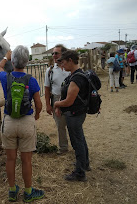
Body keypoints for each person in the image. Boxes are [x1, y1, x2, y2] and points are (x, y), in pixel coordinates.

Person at [0, 45, 45, 202]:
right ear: (27, 61)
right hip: (26, 122)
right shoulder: (31, 81)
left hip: (9, 122)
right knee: (26, 160)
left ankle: (12, 191)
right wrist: (36, 115)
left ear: (14, 60)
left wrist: (6, 57)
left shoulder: (6, 77)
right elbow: (39, 104)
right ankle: (28, 192)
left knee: (10, 159)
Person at [53, 50, 90, 182]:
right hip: (78, 112)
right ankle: (84, 163)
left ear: (70, 60)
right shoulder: (79, 74)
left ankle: (80, 173)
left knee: (77, 141)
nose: (62, 65)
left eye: (63, 62)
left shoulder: (76, 79)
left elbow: (69, 101)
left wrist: (56, 103)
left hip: (75, 114)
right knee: (80, 138)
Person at [44, 44, 70, 154]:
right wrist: (48, 105)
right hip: (56, 100)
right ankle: (63, 148)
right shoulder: (50, 70)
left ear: (63, 54)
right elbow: (47, 88)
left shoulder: (70, 68)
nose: (54, 55)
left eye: (56, 53)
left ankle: (76, 146)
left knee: (72, 124)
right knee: (60, 125)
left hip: (70, 99)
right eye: (53, 53)